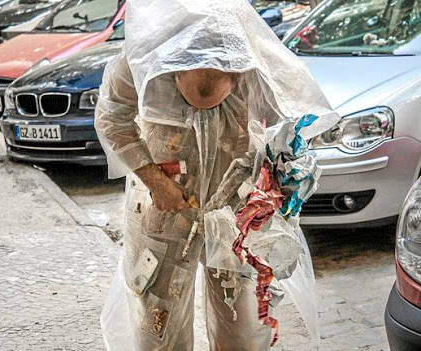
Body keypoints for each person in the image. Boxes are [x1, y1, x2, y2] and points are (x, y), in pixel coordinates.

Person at [95, 0, 340, 350]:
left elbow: (288, 127)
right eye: (187, 100)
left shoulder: (253, 64)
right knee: (158, 324)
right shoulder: (145, 54)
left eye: (208, 102)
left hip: (234, 212)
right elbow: (111, 119)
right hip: (163, 209)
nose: (194, 110)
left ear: (237, 75)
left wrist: (282, 177)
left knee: (241, 324)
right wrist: (155, 180)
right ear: (175, 71)